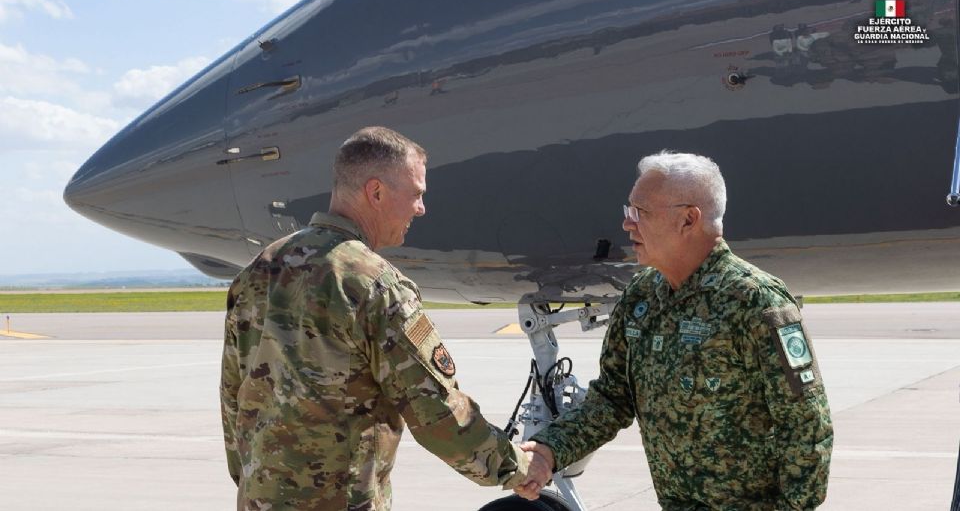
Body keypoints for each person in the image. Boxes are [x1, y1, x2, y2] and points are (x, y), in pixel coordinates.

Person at [220, 126, 539, 510]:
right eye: (417, 194)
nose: (421, 208)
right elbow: (437, 413)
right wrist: (518, 467)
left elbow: (234, 399)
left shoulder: (259, 269)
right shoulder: (375, 285)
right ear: (376, 193)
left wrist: (251, 483)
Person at [516, 151, 833, 510]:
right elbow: (612, 400)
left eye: (640, 213)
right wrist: (549, 450)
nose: (627, 224)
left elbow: (807, 428)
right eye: (628, 211)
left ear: (688, 219)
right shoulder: (641, 297)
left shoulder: (755, 301)